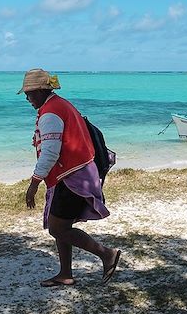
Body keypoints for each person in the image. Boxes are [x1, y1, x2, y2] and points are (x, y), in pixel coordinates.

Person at [18, 68, 121, 287]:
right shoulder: (59, 104)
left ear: (41, 90)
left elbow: (50, 153)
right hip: (77, 173)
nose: (27, 98)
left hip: (71, 177)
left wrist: (33, 184)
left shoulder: (51, 113)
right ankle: (65, 274)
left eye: (29, 93)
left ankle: (107, 254)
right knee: (61, 226)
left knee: (58, 228)